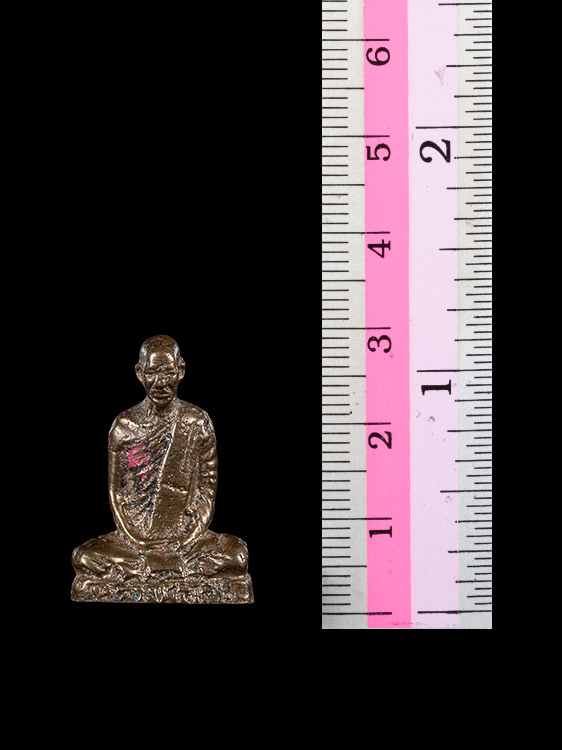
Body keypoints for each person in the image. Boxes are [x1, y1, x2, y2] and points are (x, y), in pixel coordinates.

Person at [71, 335, 252, 601]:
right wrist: (139, 542)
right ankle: (163, 571)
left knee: (237, 554)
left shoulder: (197, 422)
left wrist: (185, 540)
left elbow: (206, 491)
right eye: (152, 373)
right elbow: (116, 495)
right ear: (139, 372)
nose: (160, 383)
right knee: (84, 556)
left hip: (187, 542)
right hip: (136, 542)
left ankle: (143, 572)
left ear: (181, 370)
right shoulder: (124, 426)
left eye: (168, 372)